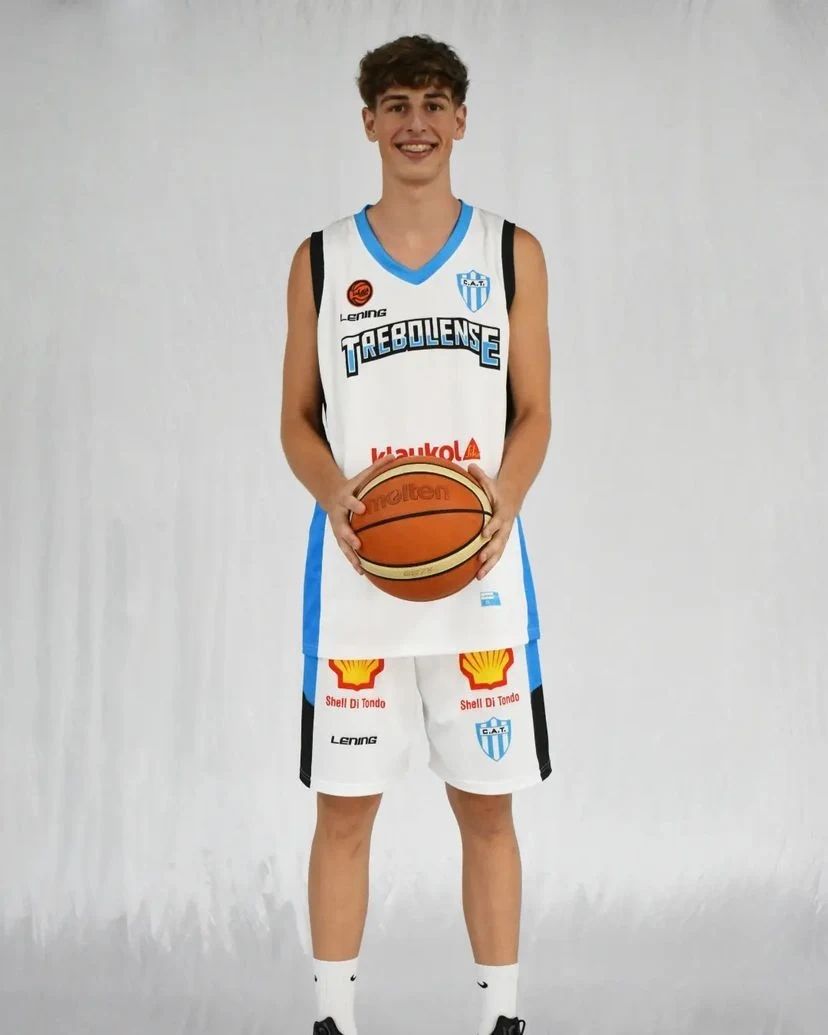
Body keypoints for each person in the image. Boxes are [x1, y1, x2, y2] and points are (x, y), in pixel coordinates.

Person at [280, 33, 552, 1035]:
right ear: (368, 123)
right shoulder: (322, 259)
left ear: (462, 121)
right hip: (358, 586)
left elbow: (536, 412)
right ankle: (332, 1022)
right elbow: (295, 422)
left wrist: (504, 499)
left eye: (435, 104)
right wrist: (338, 497)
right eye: (396, 105)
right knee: (344, 813)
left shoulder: (510, 254)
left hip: (482, 581)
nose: (416, 123)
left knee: (487, 809)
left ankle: (502, 1021)